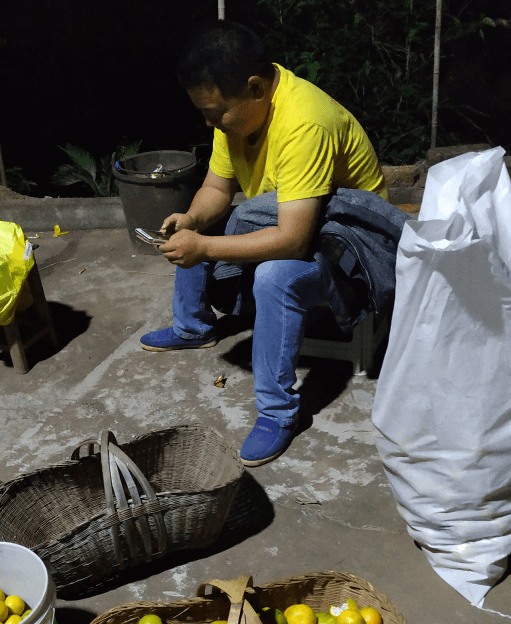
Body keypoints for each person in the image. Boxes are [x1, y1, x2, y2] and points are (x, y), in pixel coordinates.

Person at [141, 20, 390, 466]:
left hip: (351, 246)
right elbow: (217, 191)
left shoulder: (304, 124)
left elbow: (292, 241)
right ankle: (193, 326)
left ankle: (278, 412)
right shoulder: (231, 114)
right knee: (198, 225)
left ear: (256, 88)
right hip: (295, 220)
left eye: (216, 112)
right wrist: (192, 219)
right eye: (203, 112)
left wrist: (206, 248)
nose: (208, 121)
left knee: (276, 276)